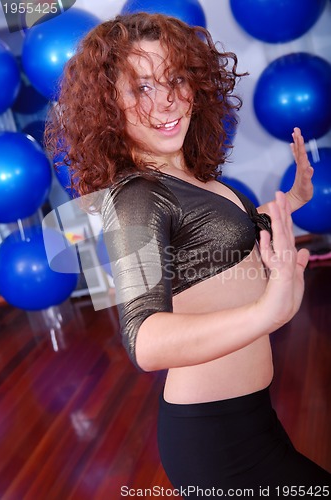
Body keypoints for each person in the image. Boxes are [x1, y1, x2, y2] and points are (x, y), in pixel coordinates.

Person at [45, 12, 330, 498]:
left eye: (176, 78)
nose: (167, 100)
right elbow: (146, 341)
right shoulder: (136, 198)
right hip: (216, 440)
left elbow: (217, 241)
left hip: (249, 416)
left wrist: (292, 200)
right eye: (142, 88)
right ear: (109, 103)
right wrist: (268, 311)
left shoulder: (185, 176)